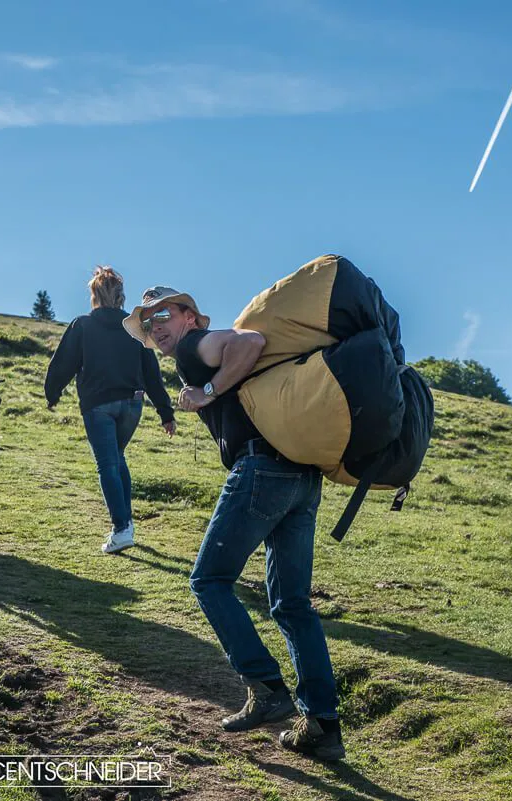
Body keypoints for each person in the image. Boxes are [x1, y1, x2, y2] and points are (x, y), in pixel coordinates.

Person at [124, 285, 344, 761]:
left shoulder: (193, 347)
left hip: (262, 472)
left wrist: (206, 391)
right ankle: (323, 725)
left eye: (163, 314)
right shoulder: (197, 348)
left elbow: (249, 343)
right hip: (301, 478)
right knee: (291, 604)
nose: (155, 327)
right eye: (147, 322)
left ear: (189, 317)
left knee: (208, 581)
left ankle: (266, 689)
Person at [45, 266, 176, 554]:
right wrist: (166, 413)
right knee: (116, 458)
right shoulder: (134, 328)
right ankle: (125, 524)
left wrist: (52, 393)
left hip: (98, 405)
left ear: (94, 295)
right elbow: (151, 371)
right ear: (120, 296)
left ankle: (122, 528)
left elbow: (63, 363)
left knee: (107, 464)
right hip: (132, 404)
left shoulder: (82, 325)